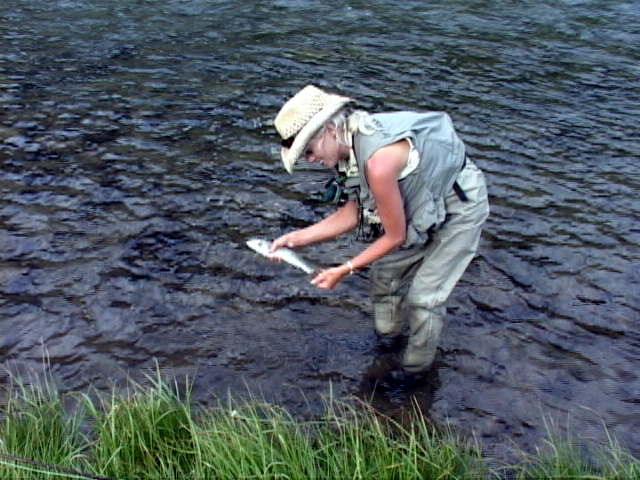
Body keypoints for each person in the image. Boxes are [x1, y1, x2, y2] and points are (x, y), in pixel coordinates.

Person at [269, 85, 489, 375]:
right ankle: (388, 344)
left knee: (424, 298)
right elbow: (354, 211)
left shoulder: (378, 163)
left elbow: (395, 236)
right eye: (303, 156)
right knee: (384, 277)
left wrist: (344, 268)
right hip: (415, 204)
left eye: (308, 151)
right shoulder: (346, 151)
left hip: (459, 206)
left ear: (330, 129)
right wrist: (294, 239)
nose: (309, 160)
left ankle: (415, 372)